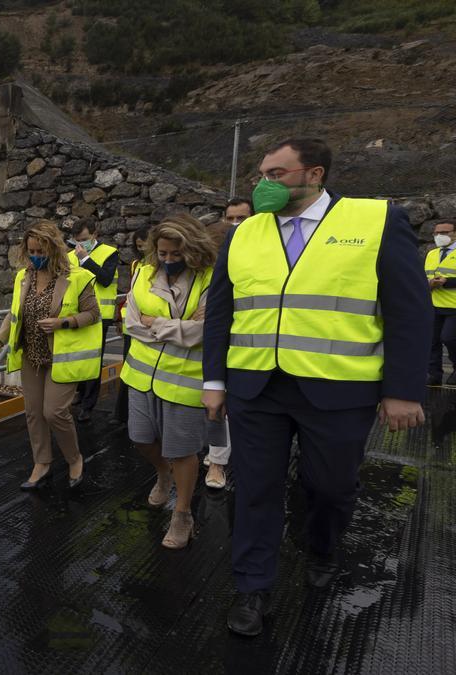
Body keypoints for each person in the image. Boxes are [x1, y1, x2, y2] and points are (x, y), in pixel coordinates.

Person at [203, 138, 429, 637]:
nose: (265, 184)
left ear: (315, 174)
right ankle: (252, 588)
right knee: (255, 488)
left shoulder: (374, 222)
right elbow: (221, 310)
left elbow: (409, 309)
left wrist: (404, 388)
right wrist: (214, 380)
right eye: (261, 175)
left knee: (329, 486)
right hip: (256, 386)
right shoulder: (243, 234)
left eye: (277, 174)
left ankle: (322, 545)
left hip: (339, 390)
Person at [120, 214, 221, 549]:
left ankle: (182, 513)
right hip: (140, 375)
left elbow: (204, 332)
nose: (167, 260)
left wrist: (157, 325)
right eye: (162, 254)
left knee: (182, 451)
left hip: (185, 381)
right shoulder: (143, 273)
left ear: (191, 250)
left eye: (175, 255)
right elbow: (130, 322)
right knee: (140, 438)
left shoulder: (210, 279)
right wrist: (176, 327)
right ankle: (163, 473)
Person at [0, 221, 101, 490]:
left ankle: (74, 458)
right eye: (32, 252)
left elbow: (93, 313)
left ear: (54, 249)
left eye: (41, 252)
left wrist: (64, 322)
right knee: (33, 413)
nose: (36, 257)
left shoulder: (77, 277)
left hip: (61, 356)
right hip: (31, 354)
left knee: (54, 412)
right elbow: (14, 312)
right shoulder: (23, 277)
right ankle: (42, 463)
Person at [202, 198, 253, 490]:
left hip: (237, 347)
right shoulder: (206, 261)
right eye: (231, 218)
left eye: (242, 218)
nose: (235, 224)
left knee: (219, 411)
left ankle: (218, 462)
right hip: (201, 344)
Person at [67, 221, 119, 421]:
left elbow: (105, 279)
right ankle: (79, 394)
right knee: (75, 356)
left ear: (95, 234)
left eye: (84, 240)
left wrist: (86, 259)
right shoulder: (69, 256)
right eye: (77, 240)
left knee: (93, 361)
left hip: (100, 316)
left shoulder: (109, 252)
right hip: (74, 315)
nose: (80, 244)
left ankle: (88, 405)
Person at [112, 226, 150, 425]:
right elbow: (130, 294)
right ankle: (123, 414)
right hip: (131, 326)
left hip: (149, 326)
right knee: (129, 370)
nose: (142, 250)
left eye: (145, 246)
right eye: (139, 247)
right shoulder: (136, 265)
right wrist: (120, 318)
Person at [425, 221, 456, 385]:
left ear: (455, 233)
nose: (439, 236)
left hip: (454, 306)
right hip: (433, 304)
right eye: (436, 233)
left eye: (444, 232)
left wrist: (447, 281)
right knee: (432, 340)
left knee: (449, 338)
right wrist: (429, 284)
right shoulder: (432, 254)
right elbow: (423, 277)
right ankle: (434, 374)